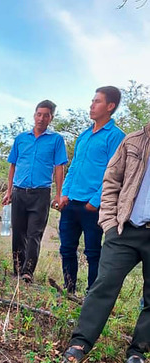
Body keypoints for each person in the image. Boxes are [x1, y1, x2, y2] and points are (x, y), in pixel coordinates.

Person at [61, 106, 149, 363]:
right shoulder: (133, 140)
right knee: (104, 284)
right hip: (125, 229)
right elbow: (111, 180)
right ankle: (80, 343)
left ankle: (137, 352)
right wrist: (109, 221)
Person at [57, 86, 126, 294]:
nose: (91, 105)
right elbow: (74, 167)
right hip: (71, 202)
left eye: (97, 101)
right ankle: (69, 289)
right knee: (66, 248)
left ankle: (92, 294)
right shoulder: (84, 135)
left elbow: (114, 173)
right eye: (92, 101)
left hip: (93, 206)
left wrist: (95, 201)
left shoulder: (116, 136)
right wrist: (64, 194)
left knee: (93, 252)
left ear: (110, 106)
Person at [2, 100, 68, 283]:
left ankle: (27, 272)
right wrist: (9, 191)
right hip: (19, 191)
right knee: (18, 233)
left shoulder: (56, 140)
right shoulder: (21, 138)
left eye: (46, 115)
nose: (41, 118)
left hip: (41, 193)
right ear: (34, 115)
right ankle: (17, 268)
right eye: (39, 114)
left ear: (51, 118)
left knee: (34, 234)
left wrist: (58, 194)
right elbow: (13, 166)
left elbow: (59, 168)